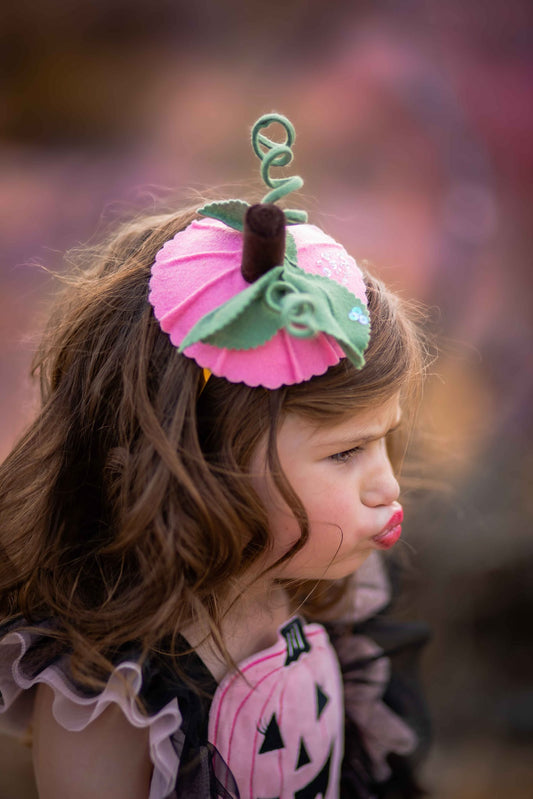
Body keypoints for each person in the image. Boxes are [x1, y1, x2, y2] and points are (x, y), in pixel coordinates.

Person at [0, 114, 430, 798]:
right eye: (345, 451)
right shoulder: (117, 696)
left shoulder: (322, 602)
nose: (386, 485)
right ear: (196, 463)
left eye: (383, 438)